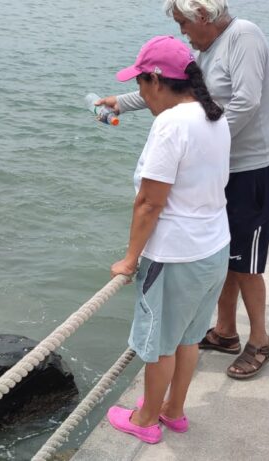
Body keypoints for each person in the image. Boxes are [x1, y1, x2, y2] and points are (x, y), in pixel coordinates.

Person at [97, 0, 269, 379]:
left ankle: (260, 340)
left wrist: (205, 141)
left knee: (247, 263)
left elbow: (247, 101)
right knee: (226, 253)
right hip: (221, 168)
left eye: (182, 22)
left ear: (202, 16)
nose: (181, 31)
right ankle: (226, 331)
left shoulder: (243, 36)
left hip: (252, 167)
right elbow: (183, 90)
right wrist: (122, 102)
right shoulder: (204, 49)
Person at [106, 35, 231, 443]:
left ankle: (145, 421)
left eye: (141, 84)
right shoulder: (214, 115)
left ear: (156, 81)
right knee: (189, 337)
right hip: (214, 247)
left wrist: (129, 259)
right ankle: (173, 412)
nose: (141, 94)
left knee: (159, 342)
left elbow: (149, 202)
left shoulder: (171, 124)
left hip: (176, 255)